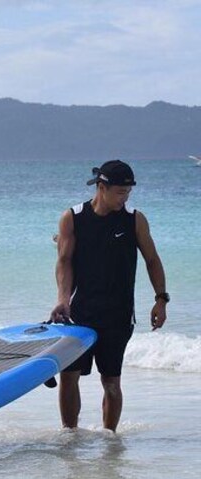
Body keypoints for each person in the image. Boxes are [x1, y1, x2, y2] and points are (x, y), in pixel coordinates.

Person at [49, 160, 167, 432]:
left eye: (128, 193)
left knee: (111, 383)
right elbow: (64, 261)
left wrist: (161, 298)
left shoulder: (134, 220)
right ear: (101, 187)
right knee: (69, 377)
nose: (125, 198)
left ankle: (109, 439)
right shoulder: (73, 218)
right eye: (120, 192)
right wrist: (63, 299)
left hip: (118, 314)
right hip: (80, 312)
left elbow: (152, 260)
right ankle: (70, 435)